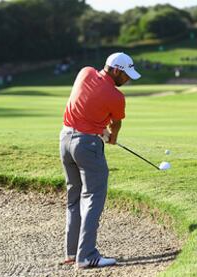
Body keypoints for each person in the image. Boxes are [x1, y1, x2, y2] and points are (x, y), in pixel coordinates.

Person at [59, 53, 141, 269]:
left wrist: (98, 128)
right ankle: (86, 256)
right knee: (93, 197)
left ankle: (72, 252)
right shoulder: (116, 97)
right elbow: (116, 124)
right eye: (126, 75)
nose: (128, 80)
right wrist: (112, 137)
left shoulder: (84, 72)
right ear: (116, 70)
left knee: (74, 198)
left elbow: (85, 103)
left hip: (65, 140)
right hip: (87, 146)